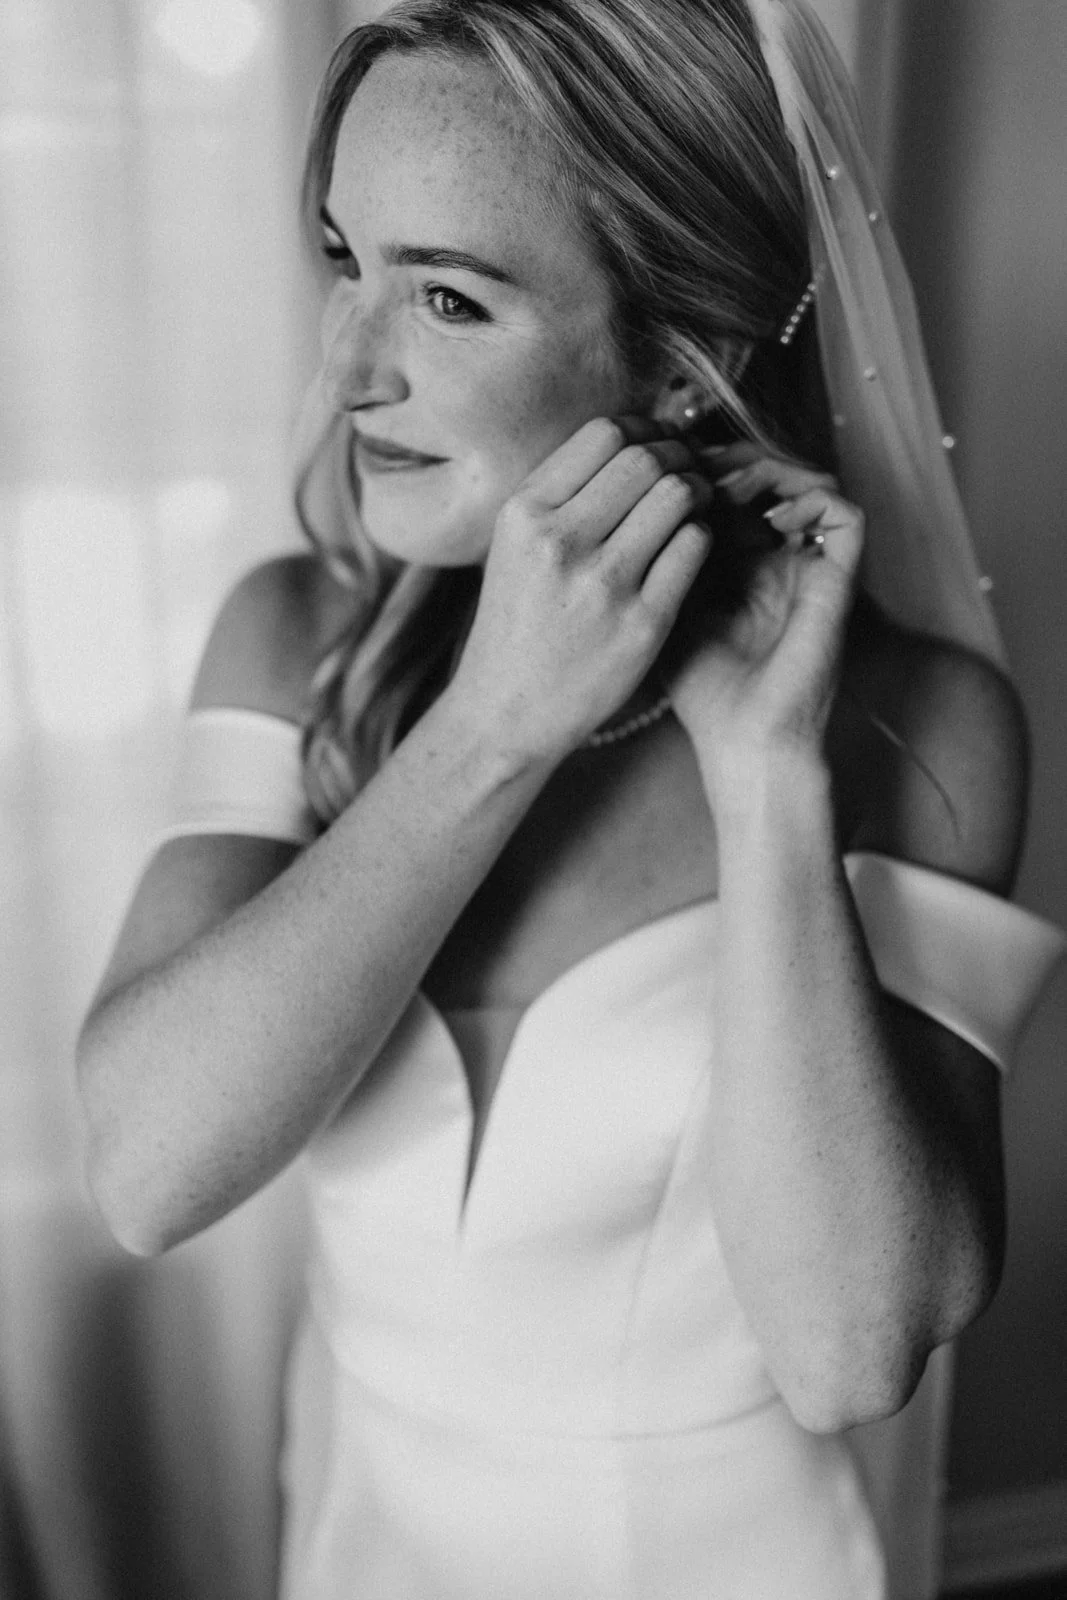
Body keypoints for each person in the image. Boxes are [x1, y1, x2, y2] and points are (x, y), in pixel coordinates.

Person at [76, 1, 1065, 1596]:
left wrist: (766, 781)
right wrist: (490, 730)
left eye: (448, 297)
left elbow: (847, 1348)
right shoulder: (288, 646)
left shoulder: (922, 729)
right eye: (342, 258)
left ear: (684, 367)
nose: (343, 373)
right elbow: (144, 1174)